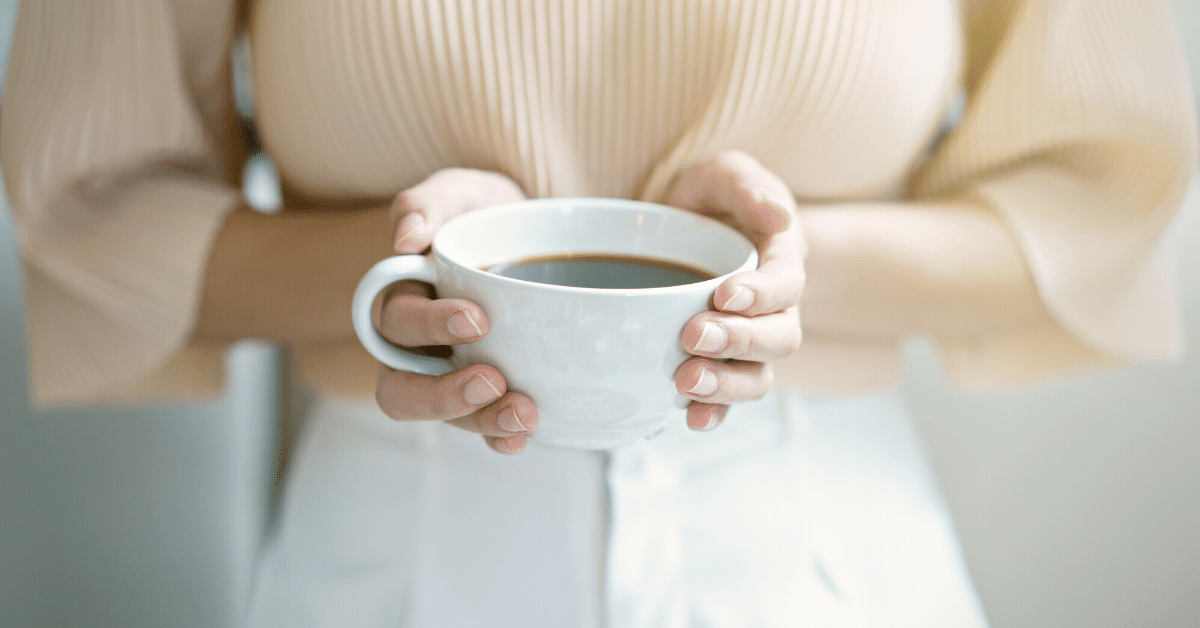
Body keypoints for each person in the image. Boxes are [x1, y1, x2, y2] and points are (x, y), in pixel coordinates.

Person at [2, 0, 1195, 626]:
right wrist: (414, 274)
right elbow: (99, 215)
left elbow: (1102, 202)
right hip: (393, 559)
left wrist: (790, 270)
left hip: (832, 561)